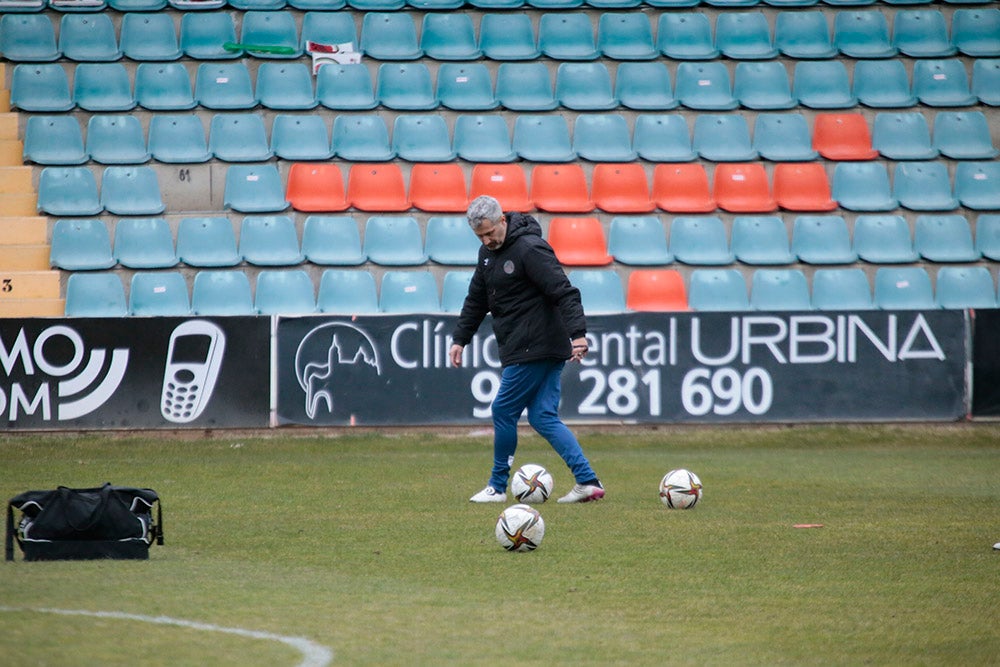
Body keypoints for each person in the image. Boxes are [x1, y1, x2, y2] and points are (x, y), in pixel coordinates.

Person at [449, 195, 605, 504]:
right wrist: (460, 338)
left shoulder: (529, 248)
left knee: (503, 410)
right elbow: (476, 299)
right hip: (534, 346)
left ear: (502, 221)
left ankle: (496, 486)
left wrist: (579, 334)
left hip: (533, 346)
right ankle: (587, 481)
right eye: (480, 236)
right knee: (543, 417)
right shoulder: (486, 254)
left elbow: (565, 291)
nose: (486, 240)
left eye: (490, 232)